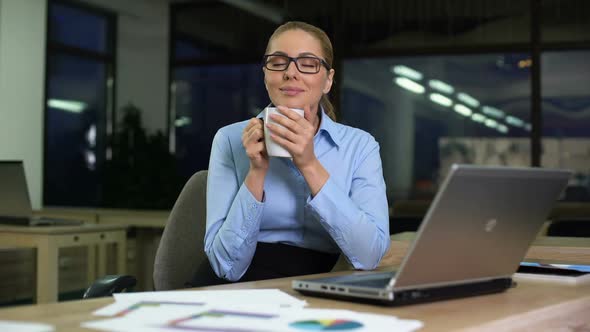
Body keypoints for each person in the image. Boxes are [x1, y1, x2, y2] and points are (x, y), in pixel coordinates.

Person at [204, 21, 389, 282]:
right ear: (265, 74)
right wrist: (256, 172)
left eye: (309, 63)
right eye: (278, 62)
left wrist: (309, 164)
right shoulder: (229, 139)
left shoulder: (360, 146)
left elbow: (369, 256)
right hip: (243, 285)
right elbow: (226, 267)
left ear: (328, 80)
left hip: (321, 284)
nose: (291, 72)